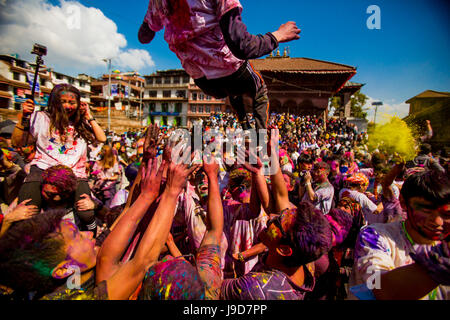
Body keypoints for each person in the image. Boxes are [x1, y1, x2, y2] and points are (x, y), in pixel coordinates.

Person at [138, 0, 300, 131]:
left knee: (234, 92)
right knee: (258, 88)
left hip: (203, 81)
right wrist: (279, 35)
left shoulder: (157, 3)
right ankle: (259, 138)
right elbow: (243, 46)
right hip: (232, 69)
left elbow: (143, 37)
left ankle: (245, 126)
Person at [220, 129, 333, 300]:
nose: (271, 217)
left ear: (284, 249)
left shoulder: (257, 288)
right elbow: (280, 200)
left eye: (277, 222)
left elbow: (207, 289)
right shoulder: (300, 260)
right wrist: (265, 164)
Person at [11, 84, 107, 235]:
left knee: (86, 213)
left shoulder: (81, 123)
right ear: (54, 101)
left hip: (75, 172)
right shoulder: (40, 118)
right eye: (63, 101)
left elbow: (102, 138)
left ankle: (93, 235)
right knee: (27, 210)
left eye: (72, 102)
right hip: (43, 168)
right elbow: (17, 143)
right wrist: (24, 118)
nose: (67, 106)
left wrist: (89, 116)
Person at [348, 168, 450, 300]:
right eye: (426, 210)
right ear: (403, 202)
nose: (437, 222)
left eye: (447, 214)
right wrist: (439, 263)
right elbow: (378, 287)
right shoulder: (374, 236)